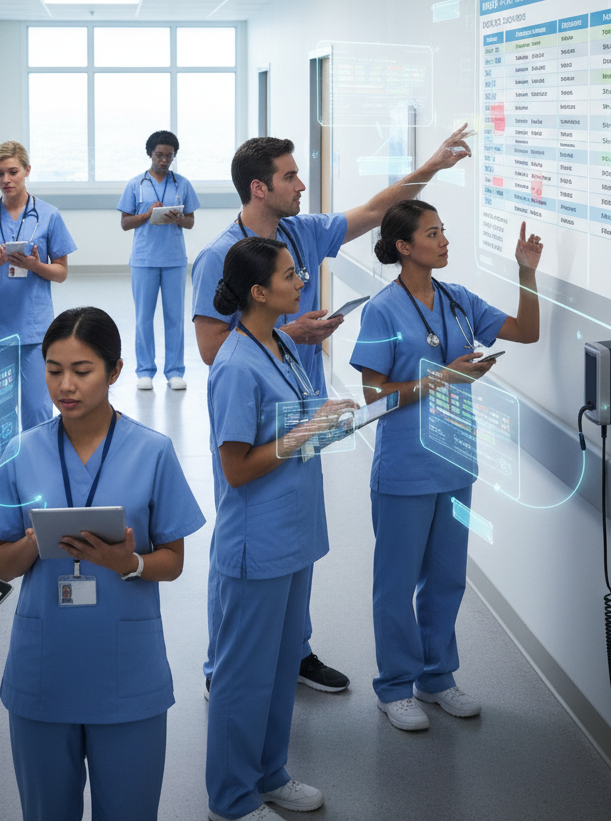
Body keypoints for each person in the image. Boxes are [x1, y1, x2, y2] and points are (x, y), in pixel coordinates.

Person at [191, 128, 473, 694]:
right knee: (245, 543)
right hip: (255, 413)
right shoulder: (221, 256)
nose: (301, 185)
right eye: (290, 176)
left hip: (305, 408)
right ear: (258, 187)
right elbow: (209, 349)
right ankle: (224, 665)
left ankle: (293, 651)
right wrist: (289, 333)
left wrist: (432, 168)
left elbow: (375, 209)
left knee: (296, 538)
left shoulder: (300, 232)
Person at [0, 306, 205, 821]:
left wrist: (129, 563)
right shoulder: (23, 451)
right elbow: (1, 563)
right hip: (44, 670)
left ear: (115, 370)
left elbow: (173, 561)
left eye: (82, 371)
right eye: (54, 371)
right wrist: (35, 541)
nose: (66, 386)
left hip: (127, 674)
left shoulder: (152, 451)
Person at [349, 200, 542, 730]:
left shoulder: (458, 301)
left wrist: (526, 273)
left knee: (447, 578)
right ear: (404, 246)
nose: (444, 240)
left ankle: (436, 678)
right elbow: (373, 396)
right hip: (405, 468)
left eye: (443, 230)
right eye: (432, 233)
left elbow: (526, 331)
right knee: (396, 584)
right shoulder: (382, 310)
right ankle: (395, 687)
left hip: (455, 462)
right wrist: (444, 378)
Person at [206, 237, 355, 821]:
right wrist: (306, 432)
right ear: (259, 292)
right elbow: (237, 468)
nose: (301, 283)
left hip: (294, 532)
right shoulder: (235, 365)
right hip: (257, 542)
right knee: (244, 674)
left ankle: (269, 773)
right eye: (291, 275)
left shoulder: (283, 344)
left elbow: (294, 424)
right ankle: (230, 796)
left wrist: (325, 424)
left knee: (278, 668)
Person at [0, 140, 77, 460]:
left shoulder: (49, 215)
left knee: (38, 409)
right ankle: (8, 475)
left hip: (36, 329)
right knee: (2, 413)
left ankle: (40, 473)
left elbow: (61, 272)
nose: (6, 179)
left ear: (27, 170)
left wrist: (36, 266)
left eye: (13, 172)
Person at [117, 130, 200, 391]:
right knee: (144, 318)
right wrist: (147, 214)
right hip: (144, 259)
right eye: (159, 155)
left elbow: (191, 222)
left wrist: (179, 219)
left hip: (174, 259)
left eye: (169, 156)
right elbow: (125, 223)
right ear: (150, 154)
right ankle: (145, 371)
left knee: (175, 317)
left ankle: (175, 371)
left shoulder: (182, 184)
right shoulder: (135, 184)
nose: (164, 161)